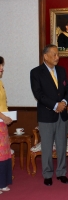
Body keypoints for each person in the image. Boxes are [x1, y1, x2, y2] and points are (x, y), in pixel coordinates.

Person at [30, 44, 68, 186]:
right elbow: (38, 94)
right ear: (45, 56)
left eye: (57, 54)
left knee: (61, 145)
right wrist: (55, 105)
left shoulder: (62, 70)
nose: (57, 57)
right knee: (47, 147)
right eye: (54, 55)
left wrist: (64, 102)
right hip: (47, 115)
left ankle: (61, 172)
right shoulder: (36, 72)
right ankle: (47, 174)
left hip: (62, 115)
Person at [0, 56, 13, 193]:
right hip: (0, 120)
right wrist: (4, 117)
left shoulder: (0, 83)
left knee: (3, 154)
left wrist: (7, 117)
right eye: (0, 65)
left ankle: (2, 182)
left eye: (1, 65)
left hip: (2, 123)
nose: (2, 68)